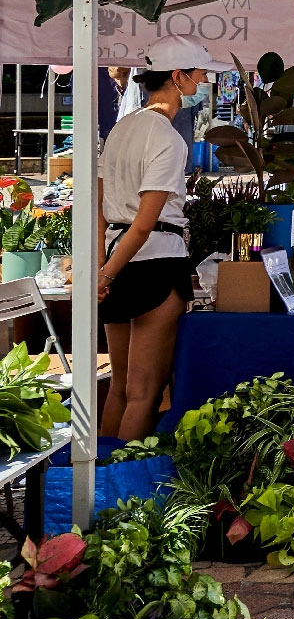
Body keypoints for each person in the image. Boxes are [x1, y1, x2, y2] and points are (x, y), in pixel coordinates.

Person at [98, 34, 216, 441]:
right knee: (143, 392)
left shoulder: (120, 129)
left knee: (120, 386)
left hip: (115, 255)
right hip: (154, 261)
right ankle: (123, 493)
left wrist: (103, 268)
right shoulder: (166, 137)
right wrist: (107, 274)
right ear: (177, 76)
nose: (202, 83)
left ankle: (98, 480)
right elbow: (147, 222)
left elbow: (99, 210)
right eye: (198, 75)